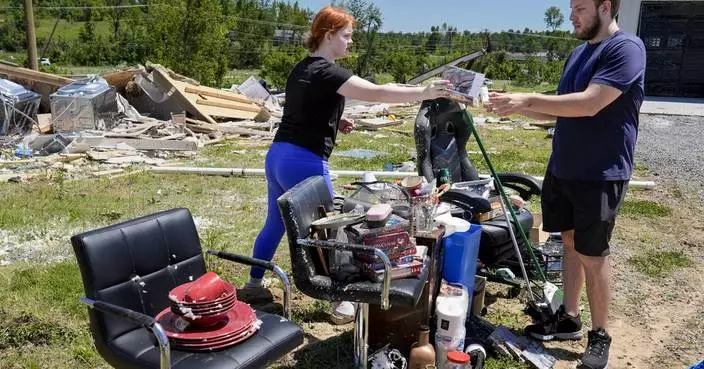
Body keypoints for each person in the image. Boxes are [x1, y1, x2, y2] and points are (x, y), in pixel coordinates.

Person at [244, 6, 452, 325]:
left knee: (274, 223)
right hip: (305, 160)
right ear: (328, 36)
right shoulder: (330, 72)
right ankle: (342, 302)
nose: (350, 42)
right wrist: (423, 92)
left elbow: (306, 107)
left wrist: (336, 120)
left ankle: (254, 285)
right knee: (332, 228)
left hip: (278, 157)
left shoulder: (303, 68)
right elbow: (377, 92)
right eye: (346, 36)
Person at [486, 1, 645, 368]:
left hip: (600, 174)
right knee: (569, 243)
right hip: (564, 168)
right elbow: (561, 106)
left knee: (593, 253)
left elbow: (591, 103)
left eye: (580, 7)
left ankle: (600, 333)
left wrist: (527, 97)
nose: (572, 14)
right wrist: (515, 106)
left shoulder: (626, 49)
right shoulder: (577, 54)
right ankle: (569, 318)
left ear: (605, 7)